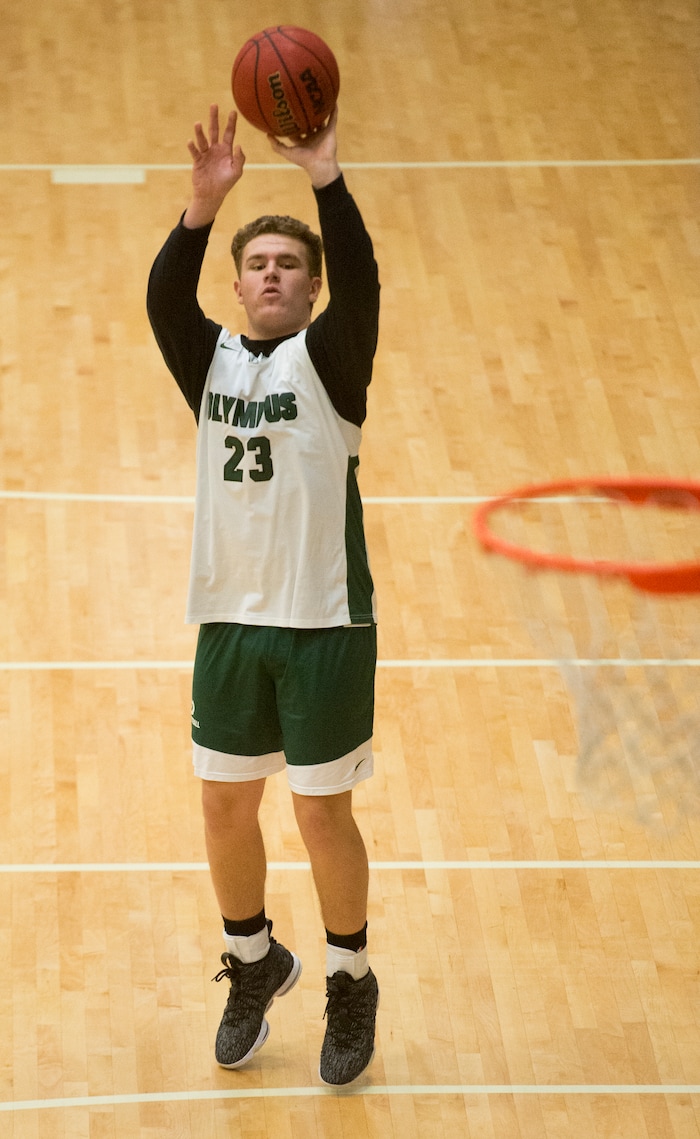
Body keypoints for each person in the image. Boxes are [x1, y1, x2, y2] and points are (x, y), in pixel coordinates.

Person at [147, 103, 380, 1086]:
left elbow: (364, 281)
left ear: (311, 286)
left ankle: (349, 975)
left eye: (291, 262)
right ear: (240, 284)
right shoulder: (213, 364)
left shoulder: (329, 360)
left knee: (322, 815)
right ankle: (254, 959)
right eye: (259, 264)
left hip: (324, 619)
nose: (273, 273)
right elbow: (164, 302)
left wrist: (323, 177)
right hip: (232, 620)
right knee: (222, 807)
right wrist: (204, 208)